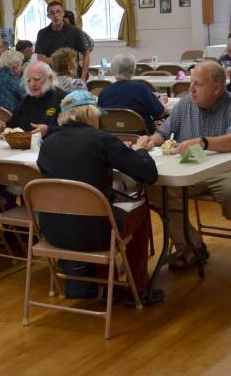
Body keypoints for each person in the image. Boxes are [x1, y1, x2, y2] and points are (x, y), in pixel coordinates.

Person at [133, 61, 231, 275]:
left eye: (197, 84)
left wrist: (204, 142)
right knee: (156, 189)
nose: (190, 89)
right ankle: (191, 247)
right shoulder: (184, 104)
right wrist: (152, 140)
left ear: (217, 87)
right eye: (191, 82)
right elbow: (164, 132)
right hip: (193, 168)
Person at [37, 91, 159, 301]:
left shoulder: (47, 144)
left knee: (98, 209)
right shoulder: (101, 139)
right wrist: (140, 150)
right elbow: (148, 173)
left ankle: (104, 285)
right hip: (95, 233)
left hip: (52, 231)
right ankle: (137, 287)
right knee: (140, 209)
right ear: (91, 114)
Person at [96, 54, 165, 134]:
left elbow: (99, 116)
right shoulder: (141, 88)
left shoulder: (104, 92)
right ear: (133, 69)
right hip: (141, 136)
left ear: (113, 70)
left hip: (112, 136)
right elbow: (159, 113)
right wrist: (162, 102)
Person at [5, 61, 67, 137]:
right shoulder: (26, 100)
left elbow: (74, 130)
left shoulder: (64, 100)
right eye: (28, 81)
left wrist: (49, 130)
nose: (32, 84)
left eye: (37, 79)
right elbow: (13, 125)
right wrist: (4, 127)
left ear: (50, 78)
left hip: (53, 145)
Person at [35, 2, 93, 79]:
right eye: (52, 13)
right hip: (52, 77)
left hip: (73, 76)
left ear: (63, 13)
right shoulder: (42, 33)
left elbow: (86, 55)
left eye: (58, 11)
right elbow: (40, 58)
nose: (56, 15)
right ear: (48, 16)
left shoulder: (75, 32)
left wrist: (83, 78)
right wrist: (61, 61)